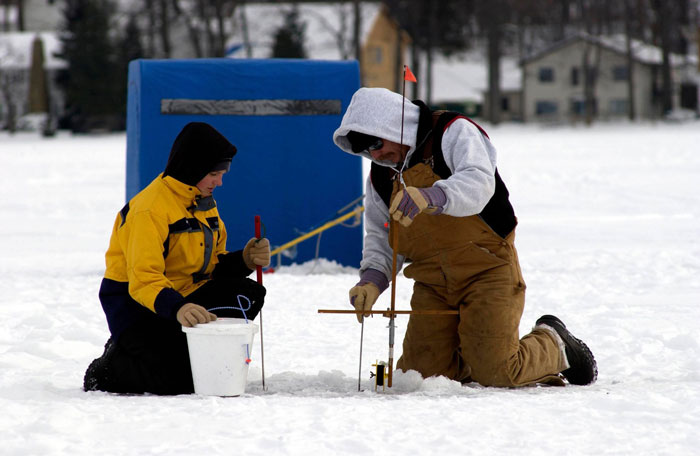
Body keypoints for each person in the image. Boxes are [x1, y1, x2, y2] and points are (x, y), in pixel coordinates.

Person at [333, 87, 597, 387]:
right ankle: (471, 355)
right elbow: (380, 237)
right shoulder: (382, 175)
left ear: (392, 124)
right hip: (432, 282)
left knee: (498, 372)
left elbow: (479, 182)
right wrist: (371, 281)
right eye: (367, 150)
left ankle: (554, 342)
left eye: (377, 142)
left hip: (487, 270)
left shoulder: (452, 132)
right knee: (419, 378)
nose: (377, 154)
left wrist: (433, 196)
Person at [83, 122, 271, 395]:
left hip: (183, 295)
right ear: (192, 168)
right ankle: (112, 366)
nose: (219, 182)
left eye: (222, 173)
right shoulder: (149, 211)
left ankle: (185, 354)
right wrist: (178, 308)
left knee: (248, 293)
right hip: (137, 308)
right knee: (179, 382)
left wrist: (244, 260)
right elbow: (143, 280)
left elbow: (212, 264)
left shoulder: (202, 202)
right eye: (214, 174)